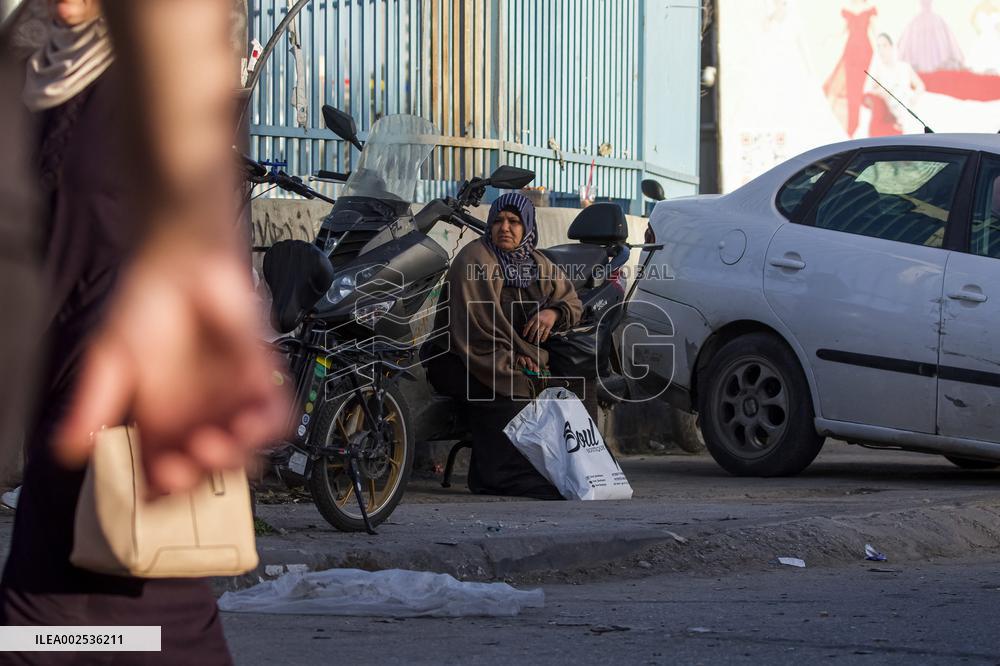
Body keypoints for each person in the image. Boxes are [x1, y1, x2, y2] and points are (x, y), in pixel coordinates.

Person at [0, 1, 286, 663]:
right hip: (57, 396)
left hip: (113, 399)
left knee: (68, 619)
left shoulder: (138, 76)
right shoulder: (27, 62)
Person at [426, 192, 582, 499]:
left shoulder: (538, 263)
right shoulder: (475, 260)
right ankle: (496, 476)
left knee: (574, 384)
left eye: (514, 221)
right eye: (497, 221)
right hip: (461, 357)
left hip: (513, 355)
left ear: (528, 227)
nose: (505, 228)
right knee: (511, 384)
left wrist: (554, 312)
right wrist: (517, 359)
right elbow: (479, 328)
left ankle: (574, 466)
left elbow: (573, 302)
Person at [823, 0, 877, 138]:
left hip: (865, 52)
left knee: (862, 89)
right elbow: (841, 31)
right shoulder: (847, 9)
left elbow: (875, 32)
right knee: (852, 90)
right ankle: (852, 128)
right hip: (851, 52)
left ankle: (862, 126)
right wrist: (828, 38)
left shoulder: (869, 8)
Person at [864, 32, 926, 136]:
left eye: (884, 45)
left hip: (912, 104)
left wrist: (915, 97)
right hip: (894, 109)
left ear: (891, 47)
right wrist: (881, 92)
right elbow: (869, 91)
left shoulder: (904, 67)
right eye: (878, 46)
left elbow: (920, 86)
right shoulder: (878, 70)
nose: (881, 50)